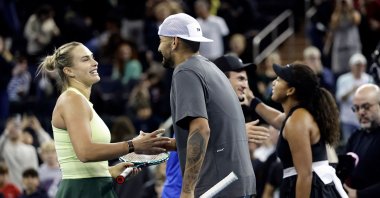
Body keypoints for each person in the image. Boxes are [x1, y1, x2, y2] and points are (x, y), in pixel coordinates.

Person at [36, 41, 170, 198]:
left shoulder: (79, 101)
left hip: (93, 187)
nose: (95, 62)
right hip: (83, 190)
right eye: (85, 59)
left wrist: (108, 171)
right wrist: (133, 145)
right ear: (69, 71)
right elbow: (85, 152)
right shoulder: (72, 99)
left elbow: (78, 161)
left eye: (92, 57)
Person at [157, 13, 256, 197]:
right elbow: (213, 133)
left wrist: (186, 191)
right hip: (239, 184)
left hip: (218, 186)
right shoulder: (211, 68)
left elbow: (201, 130)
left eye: (162, 40)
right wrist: (165, 143)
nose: (158, 47)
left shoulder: (185, 70)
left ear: (174, 42)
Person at [249, 63, 347, 197]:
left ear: (290, 91)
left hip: (313, 190)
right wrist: (251, 100)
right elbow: (277, 118)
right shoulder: (298, 116)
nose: (274, 83)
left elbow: (305, 175)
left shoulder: (297, 120)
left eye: (278, 80)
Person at [341, 84, 380, 197]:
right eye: (356, 108)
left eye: (366, 106)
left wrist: (359, 194)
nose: (361, 112)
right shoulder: (356, 136)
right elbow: (343, 168)